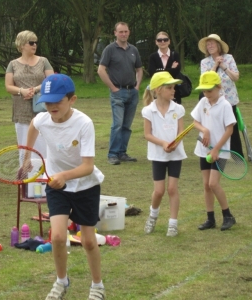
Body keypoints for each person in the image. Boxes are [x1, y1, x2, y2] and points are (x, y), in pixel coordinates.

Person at [24, 74, 105, 300]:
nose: (51, 106)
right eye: (47, 101)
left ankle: (97, 286)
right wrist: (28, 155)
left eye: (57, 101)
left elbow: (88, 166)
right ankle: (61, 281)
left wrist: (64, 175)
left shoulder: (84, 123)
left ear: (72, 100)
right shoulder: (43, 119)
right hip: (57, 186)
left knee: (88, 241)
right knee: (58, 237)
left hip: (85, 186)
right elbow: (33, 125)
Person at [142, 72, 187, 237]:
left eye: (174, 87)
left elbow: (181, 130)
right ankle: (153, 216)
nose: (173, 91)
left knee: (172, 189)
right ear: (158, 90)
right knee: (159, 191)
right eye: (169, 88)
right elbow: (147, 134)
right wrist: (162, 144)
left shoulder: (178, 108)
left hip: (176, 155)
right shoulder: (148, 111)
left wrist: (175, 142)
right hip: (158, 156)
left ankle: (173, 224)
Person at [191, 71, 236, 231]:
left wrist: (216, 149)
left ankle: (228, 216)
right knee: (206, 185)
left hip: (220, 152)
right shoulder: (203, 102)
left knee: (213, 183)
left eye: (209, 90)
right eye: (204, 90)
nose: (206, 94)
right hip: (204, 150)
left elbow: (229, 130)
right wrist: (205, 130)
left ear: (219, 87)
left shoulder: (225, 105)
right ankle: (210, 219)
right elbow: (195, 122)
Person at [98, 21, 143, 165]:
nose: (123, 34)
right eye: (120, 31)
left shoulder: (133, 49)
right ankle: (112, 154)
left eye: (126, 31)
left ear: (129, 32)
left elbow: (139, 69)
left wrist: (137, 86)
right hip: (118, 91)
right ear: (115, 33)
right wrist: (113, 87)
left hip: (132, 92)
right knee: (117, 124)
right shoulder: (109, 49)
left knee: (126, 125)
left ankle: (122, 153)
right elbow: (101, 70)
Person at [5, 30, 54, 159]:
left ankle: (46, 174)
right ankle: (26, 174)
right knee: (24, 144)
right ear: (21, 45)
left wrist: (35, 89)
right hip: (21, 109)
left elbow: (52, 80)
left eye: (36, 42)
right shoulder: (13, 64)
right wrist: (22, 91)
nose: (34, 45)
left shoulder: (43, 61)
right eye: (31, 42)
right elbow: (8, 86)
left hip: (42, 107)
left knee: (44, 144)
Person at [198, 33, 244, 157]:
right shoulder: (205, 62)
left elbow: (235, 77)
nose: (210, 46)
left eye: (212, 43)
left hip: (229, 99)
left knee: (231, 127)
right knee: (214, 126)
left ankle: (236, 155)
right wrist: (215, 65)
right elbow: (205, 80)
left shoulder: (228, 58)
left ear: (219, 45)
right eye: (208, 44)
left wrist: (223, 66)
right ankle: (213, 151)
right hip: (212, 100)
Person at [148, 31, 182, 104]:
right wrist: (171, 69)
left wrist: (160, 71)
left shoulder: (175, 55)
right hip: (158, 92)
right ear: (156, 42)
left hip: (174, 92)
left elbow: (176, 71)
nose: (162, 42)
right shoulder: (152, 57)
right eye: (159, 40)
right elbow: (152, 74)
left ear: (169, 41)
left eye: (165, 39)